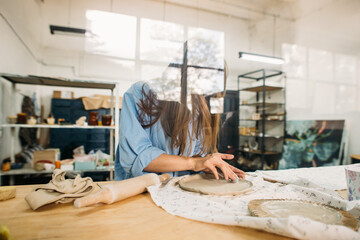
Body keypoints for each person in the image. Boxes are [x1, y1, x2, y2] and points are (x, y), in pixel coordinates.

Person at [114, 81, 245, 181]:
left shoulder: (200, 106)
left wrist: (207, 164)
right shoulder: (141, 93)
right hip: (142, 195)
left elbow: (196, 157)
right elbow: (137, 157)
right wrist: (194, 163)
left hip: (180, 195)